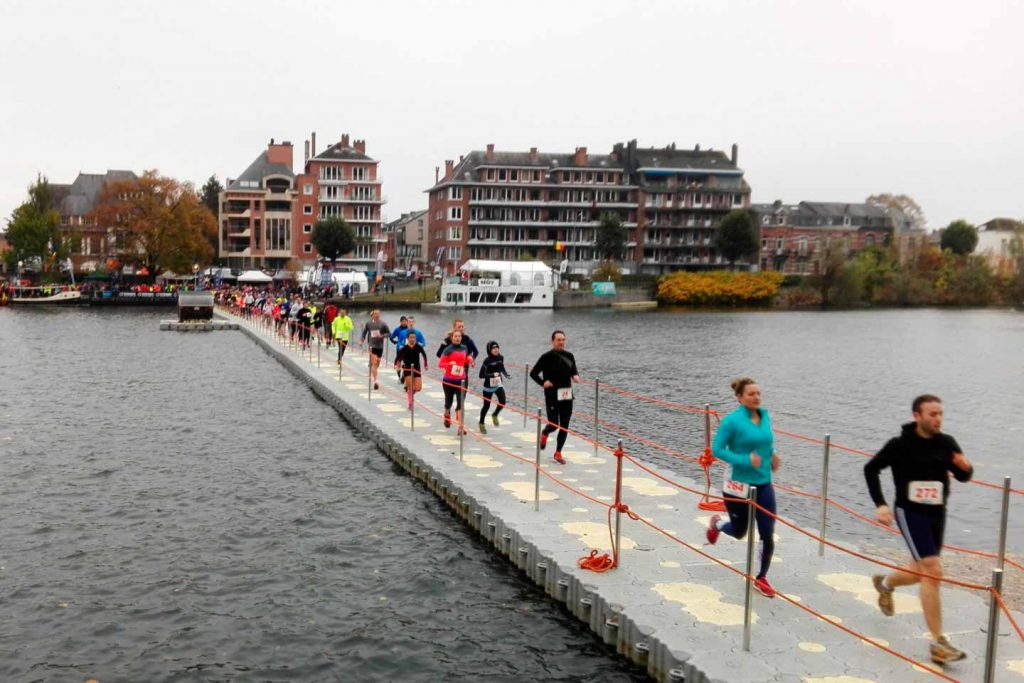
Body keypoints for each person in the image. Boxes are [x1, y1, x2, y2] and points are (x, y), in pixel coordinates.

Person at [864, 394, 973, 666]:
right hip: (909, 512)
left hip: (937, 513)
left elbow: (963, 476)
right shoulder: (900, 444)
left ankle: (885, 584)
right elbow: (871, 469)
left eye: (940, 414)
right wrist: (880, 504)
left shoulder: (946, 443)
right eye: (932, 414)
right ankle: (938, 643)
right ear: (917, 416)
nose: (938, 419)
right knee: (933, 570)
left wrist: (965, 468)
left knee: (919, 570)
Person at [705, 377, 781, 598]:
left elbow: (765, 442)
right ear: (739, 398)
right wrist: (745, 460)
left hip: (764, 482)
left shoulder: (764, 416)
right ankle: (717, 525)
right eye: (751, 394)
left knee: (768, 532)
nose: (756, 397)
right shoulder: (732, 421)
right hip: (737, 483)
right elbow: (717, 450)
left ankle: (761, 577)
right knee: (740, 532)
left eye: (758, 393)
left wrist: (773, 455)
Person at [529, 330, 580, 465]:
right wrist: (543, 383)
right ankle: (545, 433)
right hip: (552, 396)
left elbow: (574, 371)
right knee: (554, 425)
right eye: (558, 340)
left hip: (566, 395)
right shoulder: (546, 357)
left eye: (563, 340)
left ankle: (558, 453)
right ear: (553, 341)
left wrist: (575, 377)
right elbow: (533, 373)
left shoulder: (570, 356)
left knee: (564, 426)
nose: (561, 342)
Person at [439, 329, 473, 434]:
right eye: (455, 336)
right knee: (448, 402)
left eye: (459, 336)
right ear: (452, 338)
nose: (457, 338)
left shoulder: (464, 348)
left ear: (461, 338)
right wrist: (449, 364)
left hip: (460, 380)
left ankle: (460, 427)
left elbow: (465, 360)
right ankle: (446, 413)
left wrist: (470, 360)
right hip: (449, 381)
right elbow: (440, 364)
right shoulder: (448, 350)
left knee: (460, 403)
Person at [477, 341, 511, 434]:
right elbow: (481, 375)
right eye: (493, 348)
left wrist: (506, 374)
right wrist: (492, 375)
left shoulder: (501, 357)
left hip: (498, 384)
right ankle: (481, 423)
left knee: (503, 402)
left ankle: (495, 414)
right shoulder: (487, 360)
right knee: (486, 406)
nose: (496, 349)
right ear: (489, 350)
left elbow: (502, 368)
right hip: (488, 386)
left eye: (497, 347)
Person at [394, 333, 429, 410]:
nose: (412, 339)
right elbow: (398, 357)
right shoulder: (405, 348)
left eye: (414, 338)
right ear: (408, 338)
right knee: (410, 387)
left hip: (416, 368)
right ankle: (410, 402)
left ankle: (410, 395)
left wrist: (425, 364)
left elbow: (424, 355)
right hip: (407, 369)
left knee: (418, 388)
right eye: (411, 337)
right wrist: (396, 364)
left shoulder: (418, 347)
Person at [360, 310, 390, 390]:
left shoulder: (383, 324)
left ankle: (373, 372)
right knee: (374, 362)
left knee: (377, 364)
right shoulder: (369, 323)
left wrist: (382, 336)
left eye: (378, 314)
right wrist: (362, 339)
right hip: (372, 345)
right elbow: (364, 332)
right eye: (375, 314)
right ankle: (375, 381)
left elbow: (389, 334)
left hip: (380, 346)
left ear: (380, 315)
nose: (377, 315)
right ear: (372, 315)